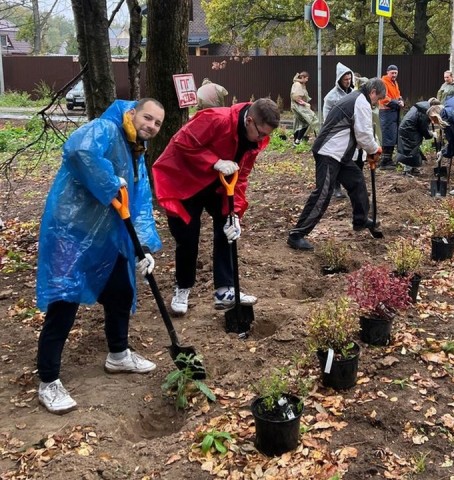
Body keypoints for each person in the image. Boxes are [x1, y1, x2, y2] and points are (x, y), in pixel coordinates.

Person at [35, 98, 166, 414]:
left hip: (106, 238)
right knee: (63, 304)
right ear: (132, 113)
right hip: (71, 234)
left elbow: (141, 201)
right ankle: (48, 381)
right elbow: (80, 152)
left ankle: (118, 355)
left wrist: (143, 247)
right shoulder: (105, 128)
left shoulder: (137, 150)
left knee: (120, 293)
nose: (151, 125)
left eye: (157, 123)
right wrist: (110, 183)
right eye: (147, 118)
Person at [152, 98, 280, 316]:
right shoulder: (217, 119)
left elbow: (242, 175)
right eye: (260, 133)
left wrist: (236, 214)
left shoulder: (255, 140)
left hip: (216, 185)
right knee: (187, 238)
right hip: (185, 181)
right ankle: (182, 288)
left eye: (266, 136)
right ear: (249, 121)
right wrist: (213, 161)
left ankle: (225, 290)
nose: (262, 139)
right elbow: (182, 142)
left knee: (227, 229)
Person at [286, 78, 386, 251]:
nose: (377, 102)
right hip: (328, 153)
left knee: (357, 182)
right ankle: (296, 235)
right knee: (323, 193)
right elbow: (363, 134)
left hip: (340, 155)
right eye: (378, 98)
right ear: (373, 93)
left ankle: (360, 220)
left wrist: (370, 150)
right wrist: (374, 149)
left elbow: (360, 132)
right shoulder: (360, 102)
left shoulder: (356, 98)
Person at [323, 62, 355, 199]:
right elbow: (327, 116)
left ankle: (351, 186)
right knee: (336, 161)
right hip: (336, 132)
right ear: (339, 80)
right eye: (345, 80)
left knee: (350, 160)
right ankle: (336, 188)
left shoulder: (354, 93)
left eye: (349, 79)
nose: (348, 82)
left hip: (350, 131)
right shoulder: (331, 97)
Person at [395, 101, 433, 175]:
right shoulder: (425, 111)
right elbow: (423, 128)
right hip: (409, 130)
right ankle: (407, 170)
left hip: (407, 128)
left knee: (413, 148)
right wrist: (430, 134)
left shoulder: (421, 107)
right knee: (409, 149)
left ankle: (413, 167)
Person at [378, 65, 404, 169]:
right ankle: (385, 161)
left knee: (393, 135)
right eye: (392, 73)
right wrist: (397, 103)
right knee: (388, 135)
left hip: (393, 111)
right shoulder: (383, 82)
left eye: (395, 73)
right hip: (386, 111)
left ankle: (388, 160)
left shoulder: (394, 82)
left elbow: (397, 94)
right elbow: (384, 98)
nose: (394, 75)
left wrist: (400, 100)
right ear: (387, 72)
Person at [290, 72, 319, 145]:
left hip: (299, 107)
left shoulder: (300, 84)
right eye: (306, 78)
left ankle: (296, 141)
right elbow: (296, 97)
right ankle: (298, 140)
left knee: (299, 123)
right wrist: (306, 104)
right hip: (299, 107)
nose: (307, 80)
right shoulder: (297, 85)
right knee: (312, 120)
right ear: (302, 77)